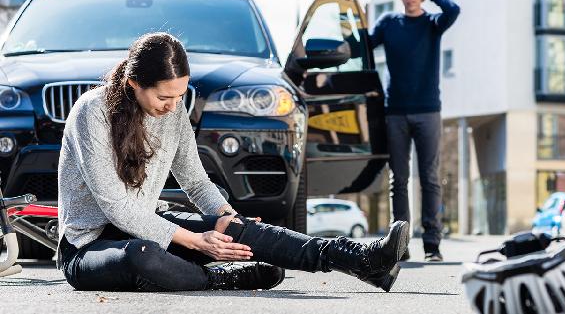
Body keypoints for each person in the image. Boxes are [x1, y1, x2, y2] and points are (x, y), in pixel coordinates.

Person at [57, 32, 410, 292]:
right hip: (88, 247)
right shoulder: (93, 112)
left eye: (180, 95)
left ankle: (361, 260)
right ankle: (218, 277)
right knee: (142, 255)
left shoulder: (173, 108)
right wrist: (197, 242)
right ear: (134, 83)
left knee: (231, 227)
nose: (172, 105)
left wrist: (228, 217)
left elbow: (195, 181)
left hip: (148, 223)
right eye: (164, 96)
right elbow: (117, 208)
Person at [368, 0, 460, 262]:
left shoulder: (433, 23)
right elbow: (364, 46)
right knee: (399, 180)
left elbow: (453, 10)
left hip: (428, 111)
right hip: (395, 111)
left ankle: (432, 245)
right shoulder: (389, 23)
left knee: (430, 179)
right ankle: (400, 244)